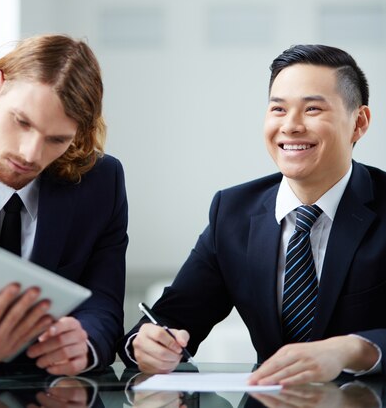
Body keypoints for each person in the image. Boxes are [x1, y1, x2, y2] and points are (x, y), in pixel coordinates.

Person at [118, 44, 386, 384]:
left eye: (313, 109)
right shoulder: (232, 213)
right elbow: (172, 318)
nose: (290, 126)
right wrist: (147, 344)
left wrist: (353, 350)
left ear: (359, 122)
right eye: (278, 109)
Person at [0, 34, 128, 377]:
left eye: (57, 139)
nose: (30, 154)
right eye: (22, 122)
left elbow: (103, 300)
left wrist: (82, 344)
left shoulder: (101, 182)